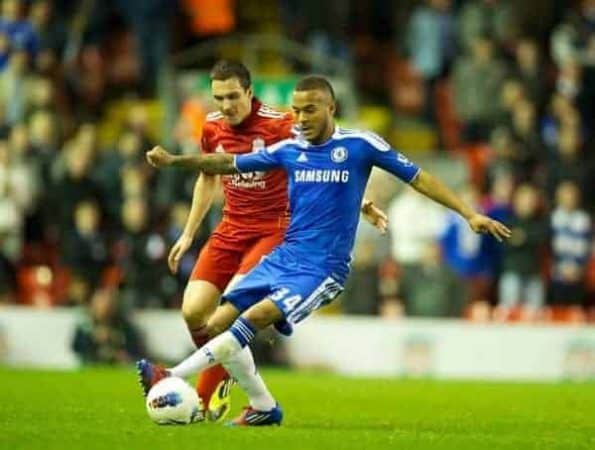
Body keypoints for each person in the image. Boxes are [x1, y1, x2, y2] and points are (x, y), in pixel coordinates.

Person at [140, 76, 511, 426]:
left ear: (331, 107)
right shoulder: (289, 150)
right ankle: (263, 407)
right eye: (296, 110)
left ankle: (170, 374)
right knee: (217, 322)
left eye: (310, 110)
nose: (300, 119)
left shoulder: (360, 145)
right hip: (284, 257)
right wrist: (176, 161)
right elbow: (226, 163)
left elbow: (418, 177)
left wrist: (469, 213)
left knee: (255, 316)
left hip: (323, 268)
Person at [148, 61, 388, 422]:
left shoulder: (280, 125)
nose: (226, 105)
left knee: (233, 311)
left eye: (232, 96)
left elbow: (320, 165)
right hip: (231, 227)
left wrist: (362, 203)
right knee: (193, 312)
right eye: (218, 98)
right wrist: (188, 233)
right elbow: (208, 176)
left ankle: (202, 397)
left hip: (275, 228)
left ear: (249, 92)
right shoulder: (212, 126)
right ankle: (238, 380)